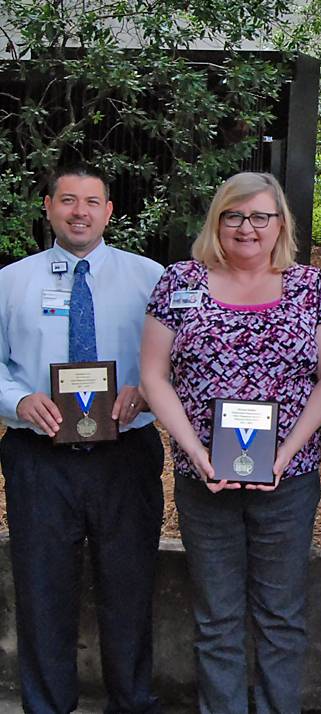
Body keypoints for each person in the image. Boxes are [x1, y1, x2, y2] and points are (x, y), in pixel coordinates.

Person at [139, 172, 321, 712]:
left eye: (261, 216)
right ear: (217, 220)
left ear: (281, 224)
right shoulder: (178, 283)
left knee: (281, 617)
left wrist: (284, 453)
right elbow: (154, 377)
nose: (247, 227)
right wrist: (196, 452)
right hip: (204, 478)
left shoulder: (312, 286)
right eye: (234, 215)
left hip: (289, 479)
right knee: (217, 618)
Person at [0, 164, 164, 713]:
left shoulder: (151, 278)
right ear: (47, 206)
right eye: (67, 201)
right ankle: (47, 706)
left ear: (110, 211)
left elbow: (178, 359)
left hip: (126, 455)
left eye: (92, 202)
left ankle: (131, 703)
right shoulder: (11, 281)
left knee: (130, 588)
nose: (79, 212)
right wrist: (17, 400)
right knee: (43, 592)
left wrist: (147, 391)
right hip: (38, 458)